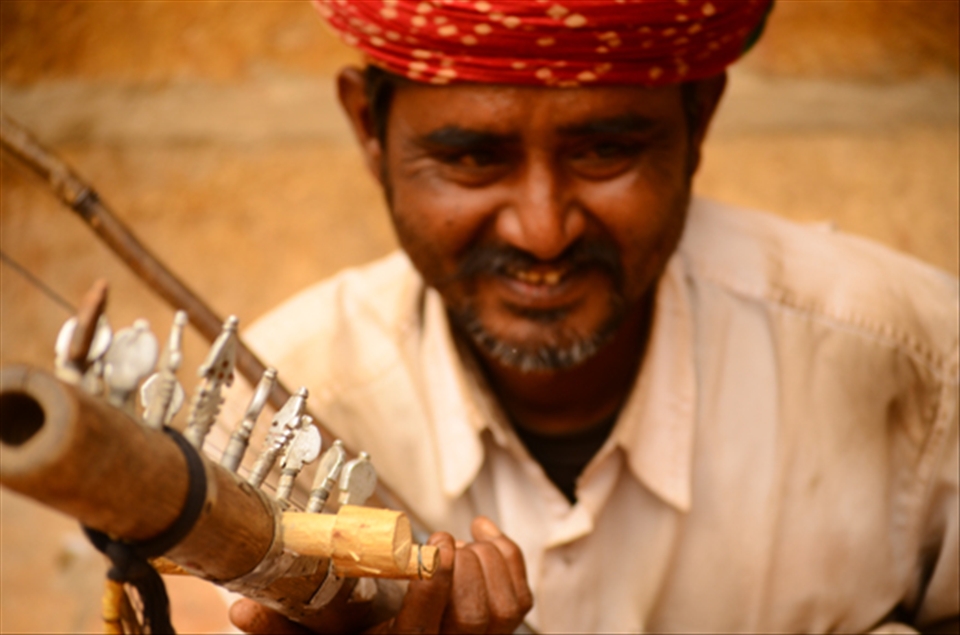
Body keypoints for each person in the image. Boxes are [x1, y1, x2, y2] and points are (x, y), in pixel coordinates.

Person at [229, 1, 959, 633]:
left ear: (699, 118)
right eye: (473, 159)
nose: (542, 231)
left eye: (606, 151)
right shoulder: (261, 412)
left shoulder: (920, 360)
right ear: (369, 128)